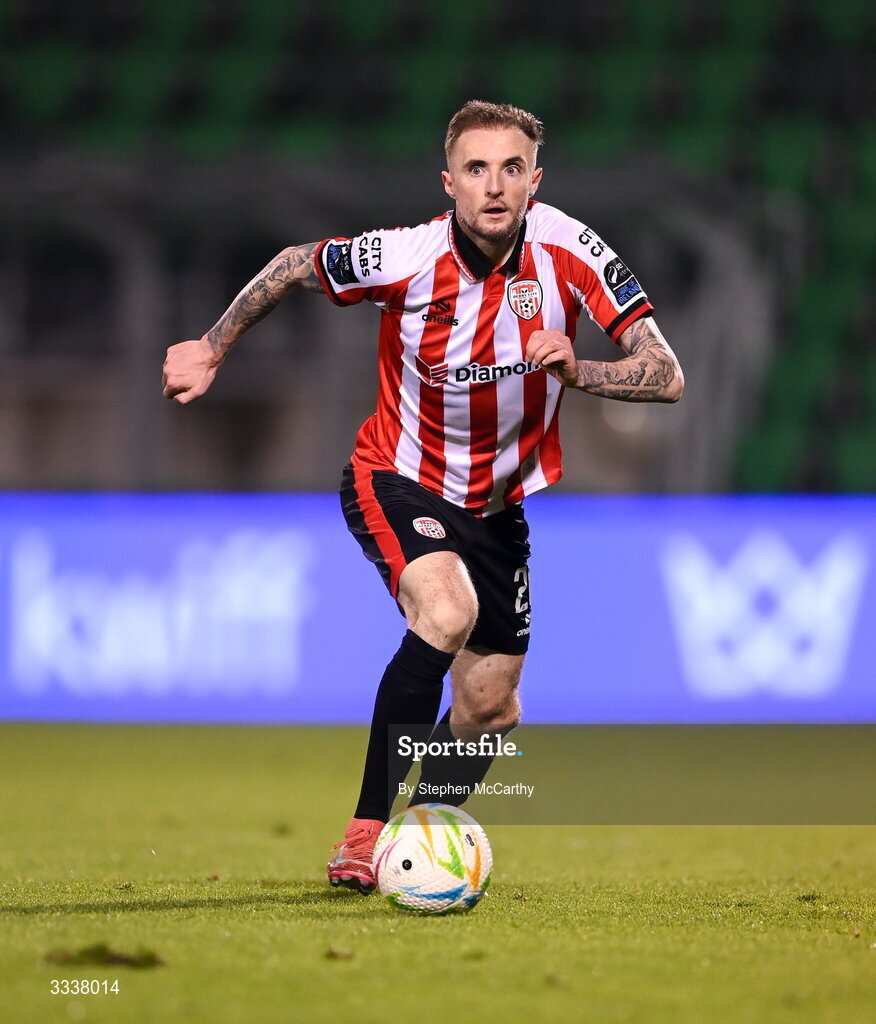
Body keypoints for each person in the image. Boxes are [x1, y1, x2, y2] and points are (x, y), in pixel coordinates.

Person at [162, 100, 684, 893]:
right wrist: (212, 344)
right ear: (449, 182)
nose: (494, 186)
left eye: (512, 168)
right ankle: (365, 833)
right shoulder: (403, 257)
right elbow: (298, 262)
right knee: (445, 610)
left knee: (490, 710)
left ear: (535, 180)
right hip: (397, 477)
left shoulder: (574, 252)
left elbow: (667, 372)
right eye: (476, 169)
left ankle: (416, 838)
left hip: (498, 509)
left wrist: (584, 372)